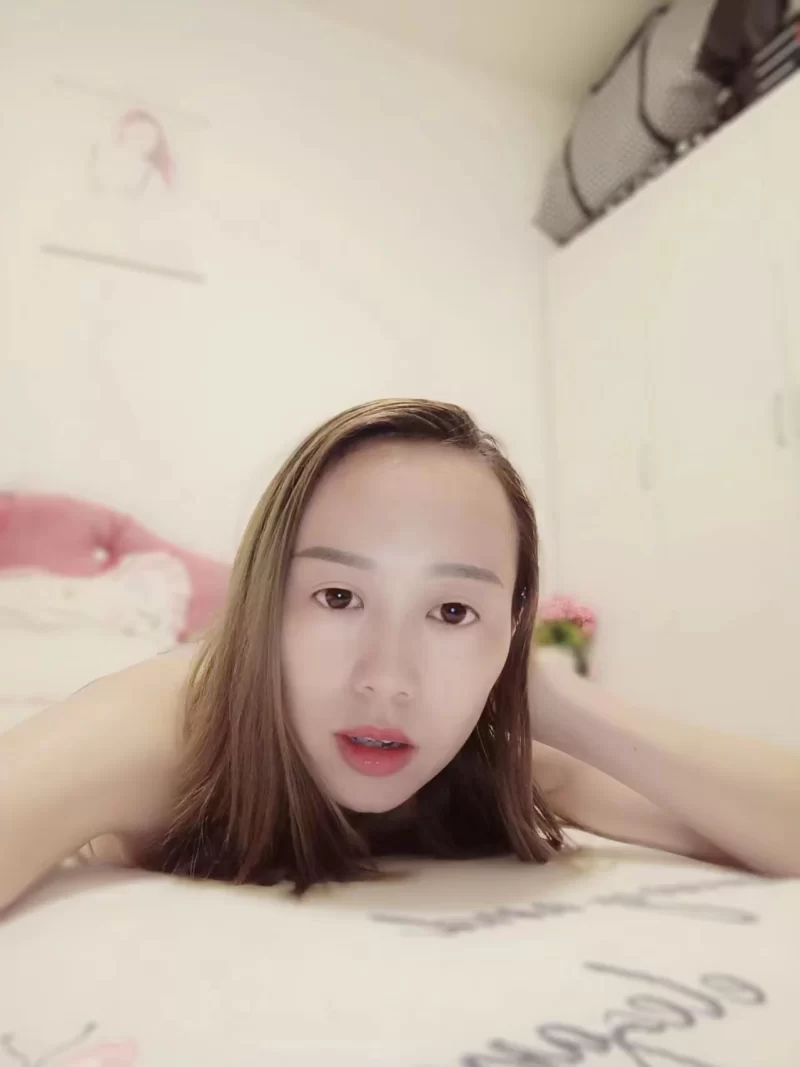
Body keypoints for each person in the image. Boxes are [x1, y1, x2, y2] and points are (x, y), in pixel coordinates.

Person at [1, 398, 798, 911]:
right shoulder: (159, 733)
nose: (386, 679)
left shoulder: (488, 755)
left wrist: (546, 693)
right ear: (263, 606)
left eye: (452, 611)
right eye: (338, 597)